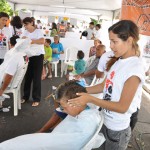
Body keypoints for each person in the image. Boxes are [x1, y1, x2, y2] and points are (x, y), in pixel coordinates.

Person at [68, 20, 145, 150]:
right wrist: (82, 90)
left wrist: (91, 99)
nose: (111, 46)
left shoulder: (134, 68)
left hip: (117, 130)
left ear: (130, 40)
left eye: (114, 42)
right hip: (105, 121)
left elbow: (122, 107)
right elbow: (105, 85)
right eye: (110, 41)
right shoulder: (118, 61)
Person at [0, 80, 102, 150]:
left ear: (76, 103)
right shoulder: (89, 113)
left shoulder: (82, 128)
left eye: (64, 107)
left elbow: (50, 144)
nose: (64, 111)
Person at [21, 17, 45, 107]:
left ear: (31, 23)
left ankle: (36, 98)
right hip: (28, 56)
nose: (25, 26)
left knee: (36, 78)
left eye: (26, 24)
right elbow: (22, 41)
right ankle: (25, 96)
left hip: (38, 57)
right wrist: (23, 40)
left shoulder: (38, 31)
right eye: (24, 25)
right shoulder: (25, 32)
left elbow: (42, 41)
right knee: (27, 78)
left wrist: (30, 41)